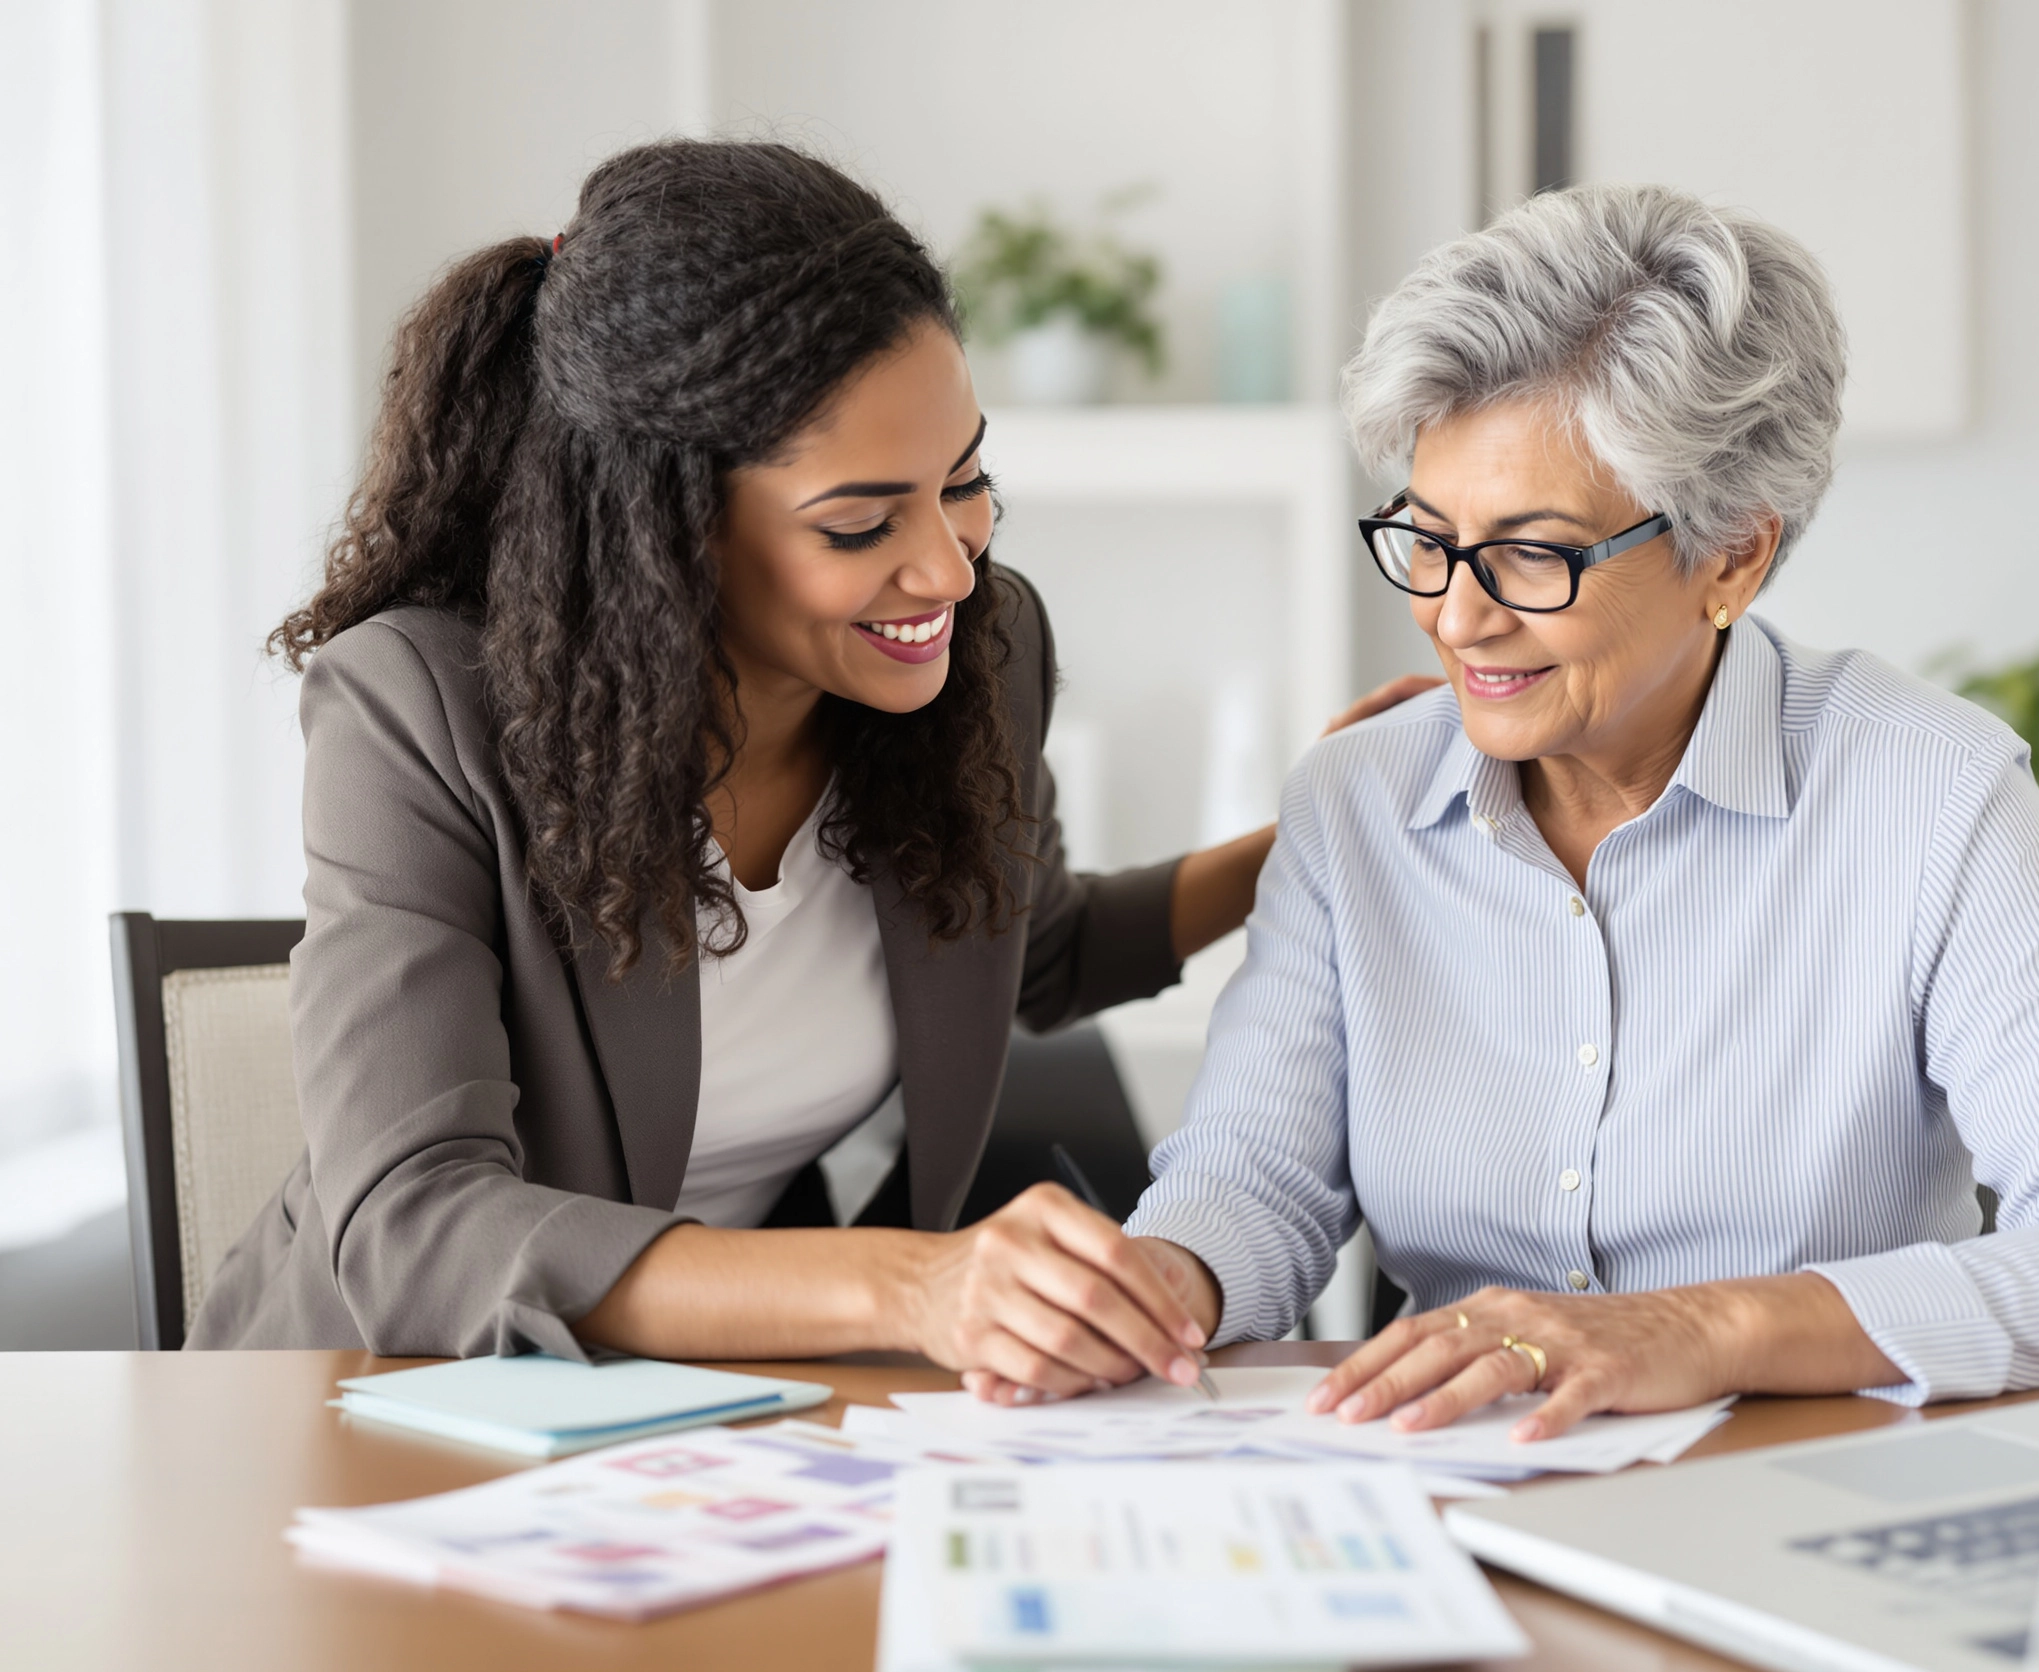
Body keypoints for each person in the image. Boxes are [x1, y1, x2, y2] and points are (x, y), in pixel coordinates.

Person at [188, 139, 1426, 1379]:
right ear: (660, 532)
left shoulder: (979, 661)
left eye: (968, 480)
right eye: (860, 522)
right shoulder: (417, 708)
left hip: (715, 1408)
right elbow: (418, 1231)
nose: (949, 566)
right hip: (365, 1404)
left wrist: (1320, 829)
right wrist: (911, 1284)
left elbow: (1026, 950)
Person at [1107, 183, 2039, 1437]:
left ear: (1733, 555)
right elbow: (1254, 1178)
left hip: (1802, 1484)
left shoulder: (1933, 796)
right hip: (1453, 1488)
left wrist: (1706, 1327)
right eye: (1430, 539)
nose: (1458, 615)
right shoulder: (1355, 802)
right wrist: (1156, 1285)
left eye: (1532, 554)